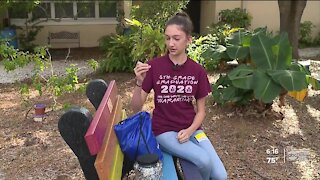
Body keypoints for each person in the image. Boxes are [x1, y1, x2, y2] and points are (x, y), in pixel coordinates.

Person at [131, 12, 227, 180]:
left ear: (188, 40)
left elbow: (201, 111)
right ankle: (169, 149)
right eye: (168, 38)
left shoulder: (197, 70)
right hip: (164, 131)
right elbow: (136, 107)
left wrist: (190, 131)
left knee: (221, 176)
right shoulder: (154, 66)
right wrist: (139, 83)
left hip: (192, 130)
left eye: (176, 38)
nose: (171, 43)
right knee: (203, 160)